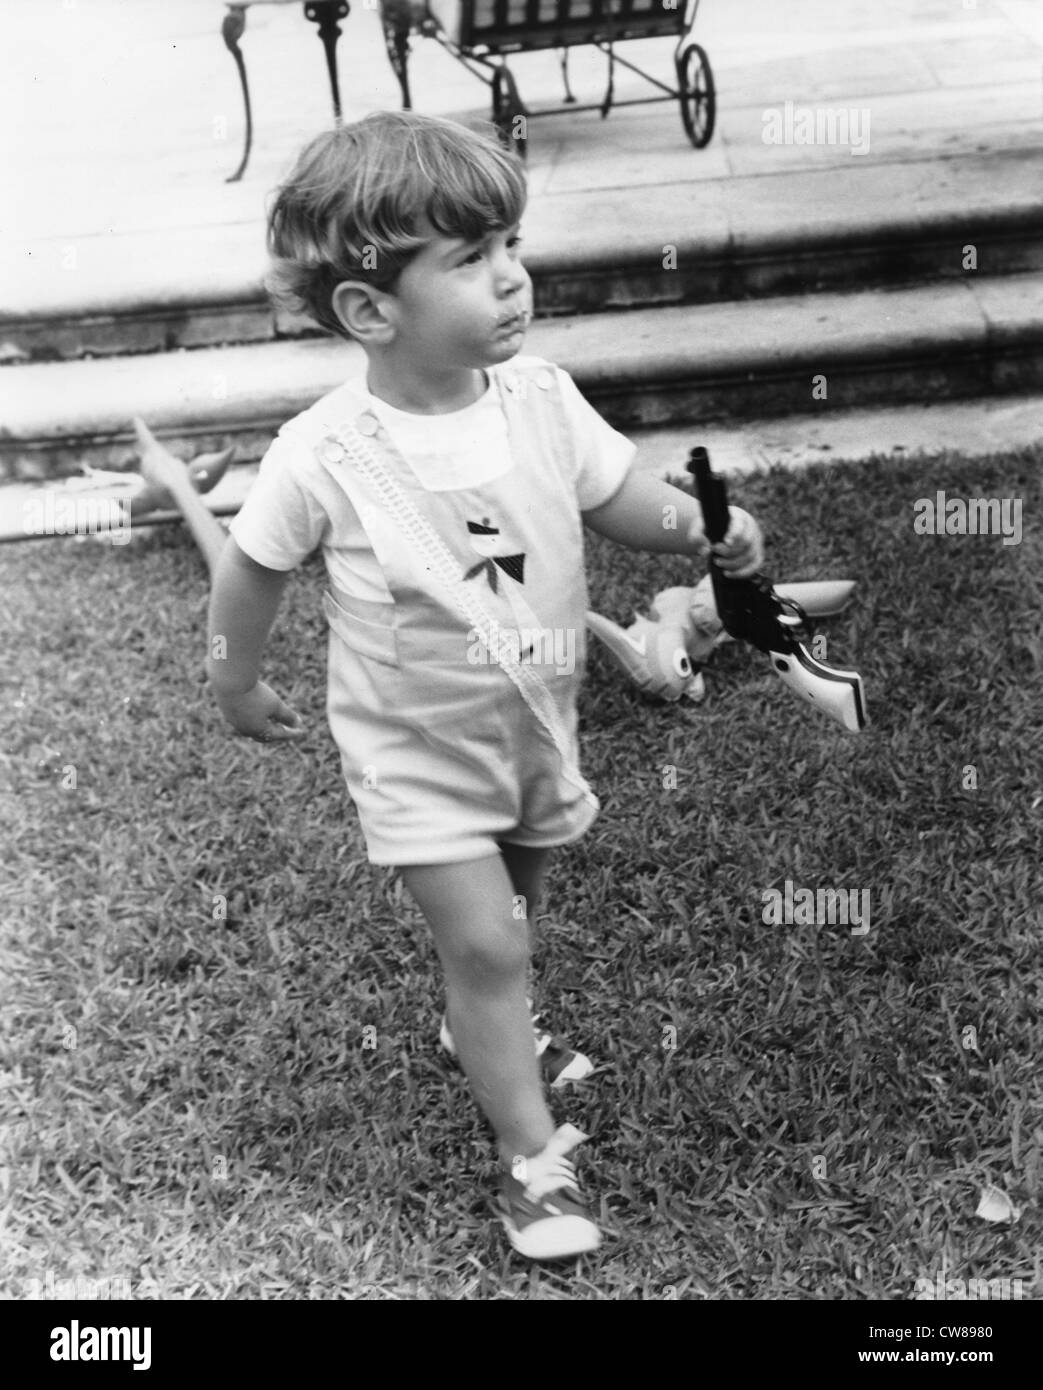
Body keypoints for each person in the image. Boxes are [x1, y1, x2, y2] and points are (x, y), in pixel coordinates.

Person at [206, 111, 763, 1261]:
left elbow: (617, 496)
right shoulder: (324, 451)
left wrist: (700, 525)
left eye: (510, 246)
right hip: (413, 755)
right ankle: (531, 1163)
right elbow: (251, 569)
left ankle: (483, 1031)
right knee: (491, 947)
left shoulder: (541, 400)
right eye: (469, 261)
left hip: (533, 732)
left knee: (516, 911)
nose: (512, 280)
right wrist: (236, 679)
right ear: (370, 311)